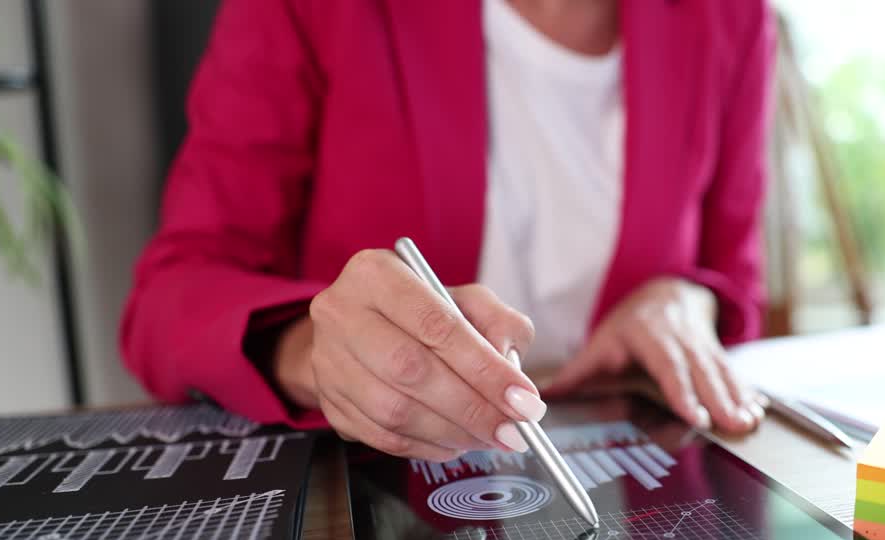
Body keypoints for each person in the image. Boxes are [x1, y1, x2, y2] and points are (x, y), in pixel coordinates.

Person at [121, 0, 776, 462]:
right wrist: (310, 350)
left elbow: (734, 281)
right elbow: (168, 299)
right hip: (374, 504)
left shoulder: (734, 18)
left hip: (638, 489)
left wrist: (685, 299)